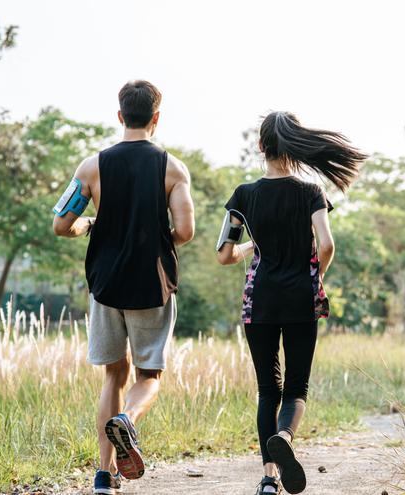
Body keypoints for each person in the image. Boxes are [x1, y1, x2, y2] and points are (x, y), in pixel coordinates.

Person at [52, 80, 195, 495]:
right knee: (149, 374)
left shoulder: (90, 167)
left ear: (119, 116)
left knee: (113, 376)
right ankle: (128, 421)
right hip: (152, 284)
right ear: (156, 118)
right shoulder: (173, 168)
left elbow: (62, 225)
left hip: (106, 285)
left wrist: (92, 224)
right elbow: (184, 231)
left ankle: (104, 475)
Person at [216, 111, 366, 495]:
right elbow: (327, 244)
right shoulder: (311, 192)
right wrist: (316, 279)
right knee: (296, 388)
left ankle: (269, 478)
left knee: (269, 389)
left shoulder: (243, 196)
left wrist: (255, 245)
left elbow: (225, 254)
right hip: (302, 298)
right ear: (293, 145)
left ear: (261, 146)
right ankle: (285, 434)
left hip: (260, 300)